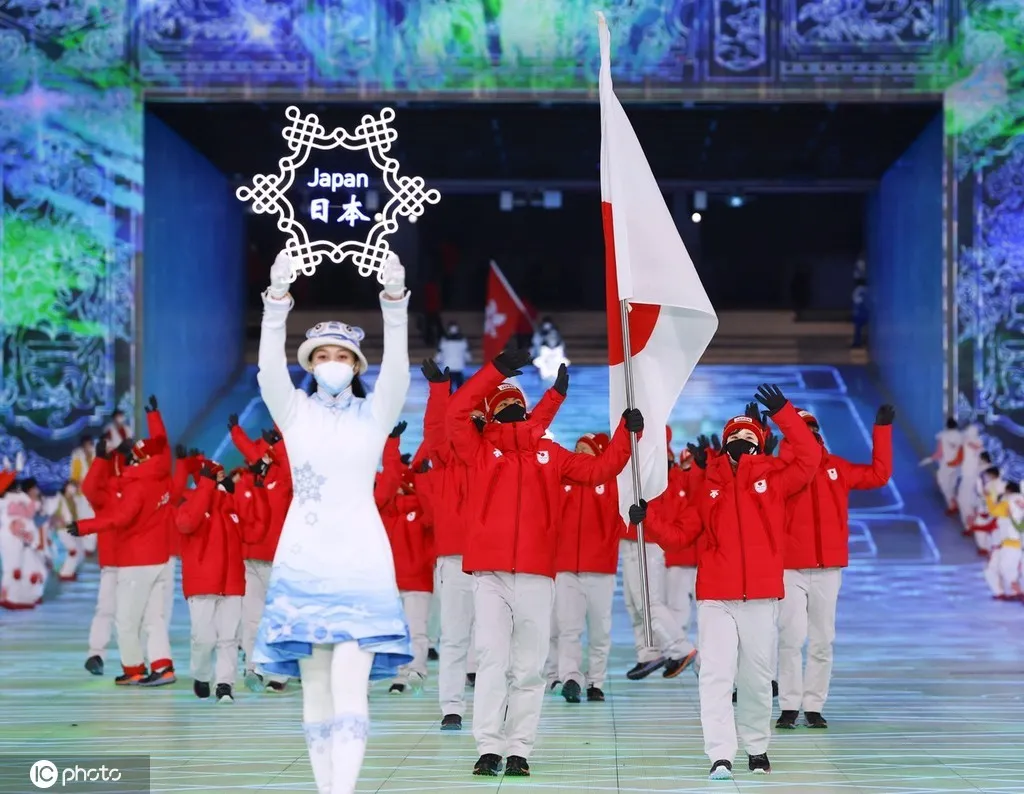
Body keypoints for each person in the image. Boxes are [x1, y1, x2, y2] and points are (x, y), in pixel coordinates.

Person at [252, 249, 412, 794]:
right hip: (304, 561)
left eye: (340, 355)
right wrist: (277, 301)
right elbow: (267, 370)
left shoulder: (376, 414)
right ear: (310, 363)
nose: (331, 362)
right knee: (315, 690)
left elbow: (398, 369)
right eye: (321, 355)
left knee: (351, 685)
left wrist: (393, 301)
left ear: (355, 366)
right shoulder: (293, 412)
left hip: (362, 562)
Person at [446, 348, 638, 777]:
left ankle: (520, 749)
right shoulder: (477, 452)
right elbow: (457, 410)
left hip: (536, 574)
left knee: (528, 667)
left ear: (528, 410)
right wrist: (494, 372)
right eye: (503, 405)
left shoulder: (549, 456)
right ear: (492, 415)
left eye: (518, 403)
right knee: (492, 660)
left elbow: (601, 469)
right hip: (490, 574)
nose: (512, 407)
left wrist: (627, 432)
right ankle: (488, 747)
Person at [630, 385, 821, 781]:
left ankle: (756, 747)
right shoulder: (709, 484)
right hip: (717, 596)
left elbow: (809, 457)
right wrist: (647, 518)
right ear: (725, 443)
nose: (741, 440)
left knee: (755, 676)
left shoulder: (776, 479)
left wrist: (784, 413)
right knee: (716, 675)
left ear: (762, 443)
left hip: (761, 597)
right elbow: (682, 534)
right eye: (735, 435)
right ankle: (720, 753)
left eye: (750, 436)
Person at [420, 358, 565, 731]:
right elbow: (440, 430)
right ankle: (452, 706)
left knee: (498, 648)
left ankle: (502, 714)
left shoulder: (511, 454)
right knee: (454, 636)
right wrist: (440, 391)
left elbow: (531, 431)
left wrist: (550, 400)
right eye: (495, 405)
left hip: (498, 560)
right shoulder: (457, 453)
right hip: (456, 555)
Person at [775, 405, 894, 731]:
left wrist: (882, 433)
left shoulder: (836, 468)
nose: (810, 435)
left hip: (828, 569)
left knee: (822, 639)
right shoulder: (778, 471)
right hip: (789, 569)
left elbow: (879, 475)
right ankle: (789, 704)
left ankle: (813, 705)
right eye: (803, 430)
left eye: (813, 429)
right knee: (791, 638)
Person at [69, 436, 176, 686]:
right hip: (157, 559)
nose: (132, 459)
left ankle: (134, 669)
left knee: (125, 619)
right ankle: (162, 667)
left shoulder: (136, 485)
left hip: (135, 561)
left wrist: (85, 526)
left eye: (136, 455)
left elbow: (121, 517)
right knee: (154, 618)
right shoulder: (161, 480)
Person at [177, 460, 269, 703]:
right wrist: (206, 487)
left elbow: (256, 531)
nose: (220, 481)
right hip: (202, 583)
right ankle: (201, 674)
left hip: (231, 583)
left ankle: (225, 685)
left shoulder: (232, 507)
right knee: (203, 638)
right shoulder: (188, 503)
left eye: (219, 477)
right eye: (214, 477)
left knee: (229, 638)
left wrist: (257, 489)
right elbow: (186, 524)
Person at [553, 432, 621, 703]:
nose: (579, 452)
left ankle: (596, 681)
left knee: (600, 630)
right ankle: (570, 677)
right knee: (568, 628)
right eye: (577, 447)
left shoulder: (612, 482)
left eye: (586, 449)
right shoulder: (561, 481)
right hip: (566, 567)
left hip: (600, 568)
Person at [229, 421, 293, 693]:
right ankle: (253, 667)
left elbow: (289, 460)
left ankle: (279, 673)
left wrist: (279, 440)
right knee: (251, 616)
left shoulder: (286, 478)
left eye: (266, 455)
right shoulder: (245, 481)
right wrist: (236, 433)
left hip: (280, 561)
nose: (260, 459)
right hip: (251, 558)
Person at [80, 439, 121, 675]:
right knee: (105, 609)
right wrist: (100, 460)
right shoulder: (103, 494)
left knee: (142, 617)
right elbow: (89, 489)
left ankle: (147, 661)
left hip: (139, 563)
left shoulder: (139, 487)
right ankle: (96, 655)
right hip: (113, 563)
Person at [985, 481, 1024, 600]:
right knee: (1000, 569)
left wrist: (988, 498)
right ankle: (1011, 592)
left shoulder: (1009, 500)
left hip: (1010, 542)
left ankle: (1018, 593)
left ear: (1008, 491)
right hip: (1014, 542)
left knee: (1006, 569)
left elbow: (994, 511)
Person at [921, 418, 963, 515]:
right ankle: (954, 503)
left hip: (946, 465)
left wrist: (928, 460)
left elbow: (939, 454)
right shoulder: (961, 436)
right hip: (958, 465)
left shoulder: (943, 436)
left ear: (946, 425)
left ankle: (952, 504)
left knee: (944, 484)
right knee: (952, 484)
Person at [53, 481, 85, 581]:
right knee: (73, 551)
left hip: (72, 528)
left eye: (75, 487)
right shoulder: (60, 499)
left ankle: (69, 571)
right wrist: (58, 520)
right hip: (63, 530)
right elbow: (54, 514)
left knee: (79, 552)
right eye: (71, 486)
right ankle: (65, 573)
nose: (73, 489)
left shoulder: (73, 500)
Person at [956, 424, 985, 529]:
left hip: (972, 474)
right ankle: (969, 523)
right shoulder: (965, 440)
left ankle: (970, 523)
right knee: (963, 498)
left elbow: (978, 449)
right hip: (966, 473)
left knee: (966, 498)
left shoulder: (977, 443)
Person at [436, 321, 470, 390]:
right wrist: (468, 359)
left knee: (449, 387)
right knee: (459, 386)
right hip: (458, 366)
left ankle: (450, 399)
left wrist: (437, 360)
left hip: (448, 365)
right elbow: (466, 353)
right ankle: (459, 399)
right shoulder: (462, 340)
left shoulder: (444, 340)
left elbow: (440, 352)